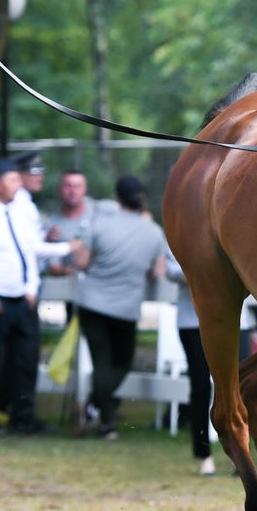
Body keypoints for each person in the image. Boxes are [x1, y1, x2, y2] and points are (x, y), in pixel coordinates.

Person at [0, 159, 78, 436]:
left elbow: (29, 249)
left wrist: (30, 287)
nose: (19, 184)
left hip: (22, 299)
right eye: (13, 180)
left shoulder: (17, 211)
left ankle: (24, 416)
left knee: (26, 360)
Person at [72, 175, 167, 439]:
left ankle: (97, 412)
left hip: (92, 304)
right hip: (126, 307)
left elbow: (81, 262)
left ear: (118, 197)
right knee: (122, 363)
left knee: (101, 362)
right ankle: (105, 421)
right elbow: (158, 272)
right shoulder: (154, 232)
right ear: (142, 198)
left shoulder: (100, 225)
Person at [167, 246, 215, 476]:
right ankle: (204, 453)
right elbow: (170, 269)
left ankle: (247, 453)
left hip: (236, 320)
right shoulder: (181, 226)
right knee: (201, 385)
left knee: (242, 386)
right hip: (192, 321)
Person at [43, 170, 96, 276]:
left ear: (85, 189)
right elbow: (53, 266)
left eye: (78, 186)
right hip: (71, 285)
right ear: (59, 189)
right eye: (68, 186)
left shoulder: (100, 212)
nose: (73, 191)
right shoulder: (52, 226)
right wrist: (69, 269)